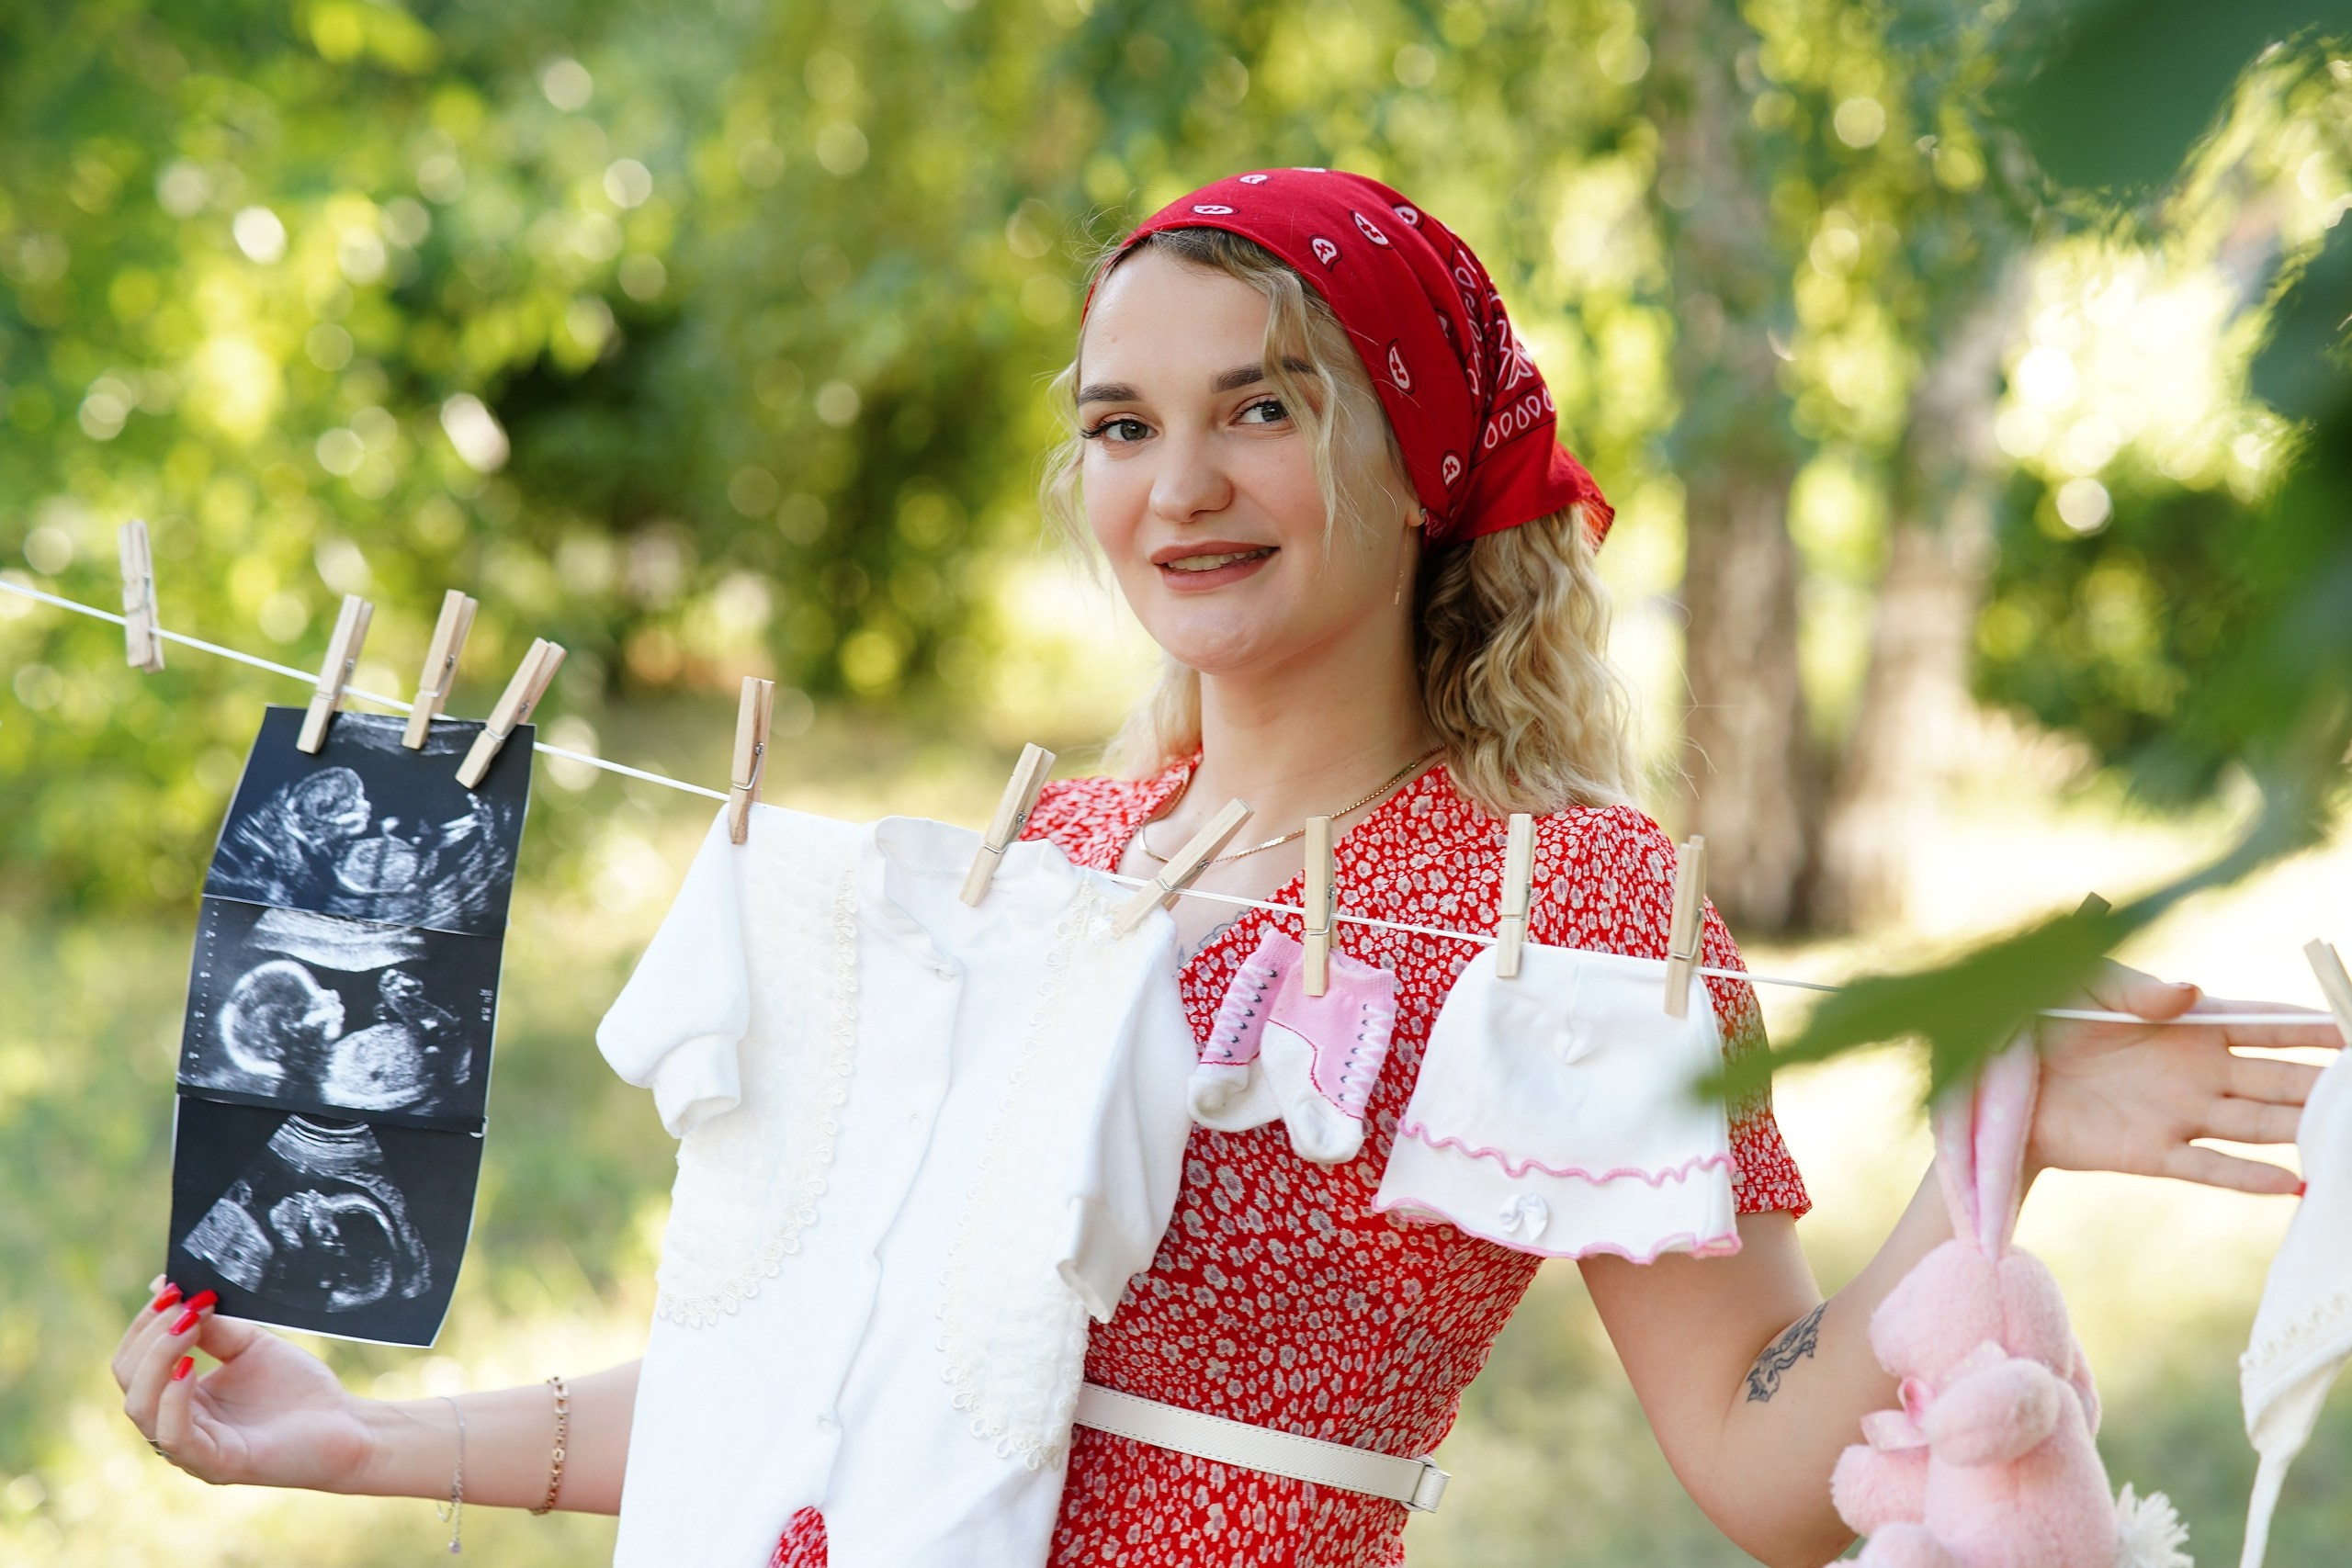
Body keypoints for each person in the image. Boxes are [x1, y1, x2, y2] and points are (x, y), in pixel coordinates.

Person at [115, 169, 2337, 1568]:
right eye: (1119, 422)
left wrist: (1989, 1139)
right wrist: (357, 1436)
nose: (1177, 481)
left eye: (1262, 405)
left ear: (1409, 450)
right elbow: (813, 1371)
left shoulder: (1565, 916)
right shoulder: (1025, 872)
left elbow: (1766, 1477)